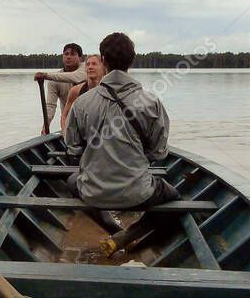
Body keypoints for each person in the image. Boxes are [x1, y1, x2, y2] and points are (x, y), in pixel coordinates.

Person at [64, 32, 180, 209]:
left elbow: (73, 150)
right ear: (131, 60)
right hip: (139, 194)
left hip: (92, 194)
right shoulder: (151, 102)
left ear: (103, 60)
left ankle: (101, 217)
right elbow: (159, 153)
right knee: (174, 194)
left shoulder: (82, 103)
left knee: (72, 180)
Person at [34, 43, 85, 134]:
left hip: (88, 119)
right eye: (66, 54)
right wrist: (46, 126)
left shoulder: (85, 69)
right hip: (68, 122)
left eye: (73, 54)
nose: (68, 57)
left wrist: (46, 75)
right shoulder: (54, 80)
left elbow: (75, 77)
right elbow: (50, 106)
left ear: (80, 58)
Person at [60, 54, 106, 133]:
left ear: (102, 67)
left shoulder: (108, 91)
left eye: (94, 64)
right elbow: (65, 116)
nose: (90, 67)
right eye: (88, 64)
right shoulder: (76, 91)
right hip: (82, 135)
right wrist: (65, 133)